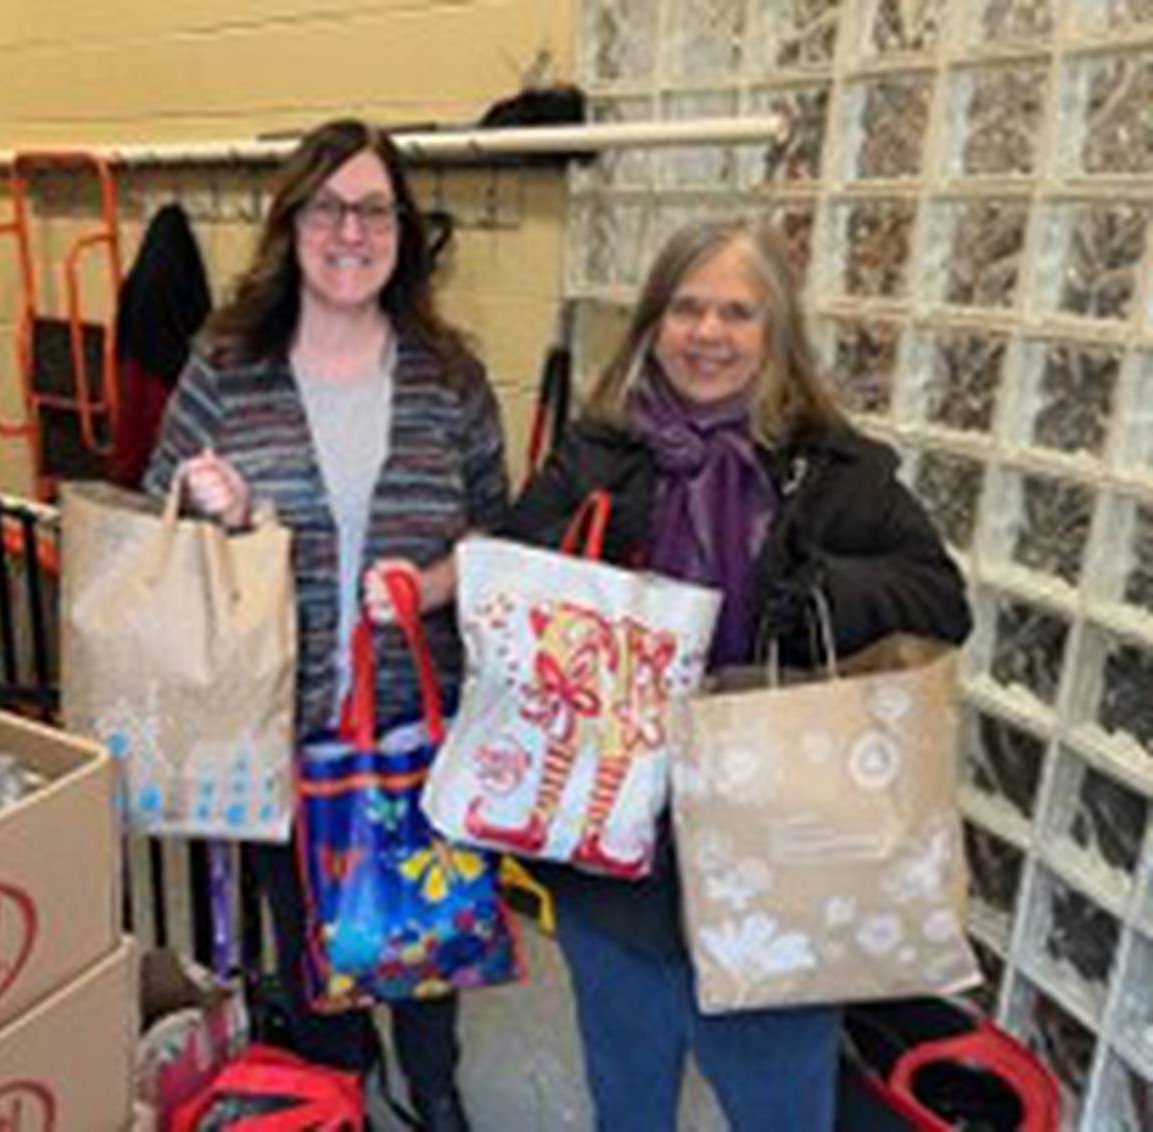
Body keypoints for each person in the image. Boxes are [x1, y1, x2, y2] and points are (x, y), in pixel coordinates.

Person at [505, 217, 971, 1131]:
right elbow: (515, 569)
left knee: (777, 1104)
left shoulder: (836, 473)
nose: (708, 334)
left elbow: (939, 599)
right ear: (652, 324)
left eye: (737, 312)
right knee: (627, 1097)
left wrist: (819, 592)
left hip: (778, 855)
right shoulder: (600, 453)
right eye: (686, 307)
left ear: (776, 335)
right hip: (620, 858)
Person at [144, 118, 509, 1132]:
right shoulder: (226, 366)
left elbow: (498, 529)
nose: (352, 229)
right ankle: (335, 1093)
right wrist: (212, 504)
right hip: (275, 715)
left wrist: (430, 584)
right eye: (328, 206)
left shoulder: (451, 376)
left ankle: (432, 1088)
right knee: (311, 929)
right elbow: (155, 512)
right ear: (292, 222)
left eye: (375, 208)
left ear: (404, 231)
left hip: (419, 713)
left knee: (429, 926)